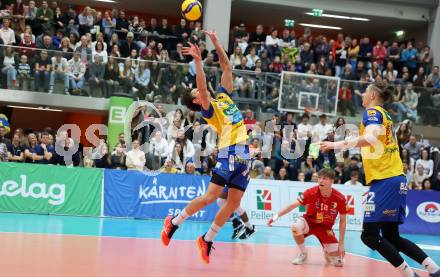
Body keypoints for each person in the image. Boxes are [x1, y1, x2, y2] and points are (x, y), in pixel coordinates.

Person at [320, 81, 440, 277]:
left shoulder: (373, 112)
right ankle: (434, 269)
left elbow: (371, 138)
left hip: (386, 179)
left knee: (369, 235)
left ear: (373, 96)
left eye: (366, 92)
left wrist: (334, 145)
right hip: (393, 179)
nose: (363, 95)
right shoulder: (385, 115)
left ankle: (410, 274)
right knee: (392, 237)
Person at [161, 31, 250, 264]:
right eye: (196, 94)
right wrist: (198, 62)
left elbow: (227, 67)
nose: (200, 92)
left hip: (244, 154)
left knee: (233, 203)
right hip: (230, 150)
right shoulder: (207, 109)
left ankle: (207, 239)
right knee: (211, 196)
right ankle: (175, 222)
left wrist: (217, 43)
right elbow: (201, 89)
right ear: (197, 102)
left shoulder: (223, 96)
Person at [267, 169, 346, 267]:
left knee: (339, 263)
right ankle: (303, 253)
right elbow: (292, 205)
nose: (320, 181)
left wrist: (341, 244)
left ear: (332, 181)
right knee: (296, 226)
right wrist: (276, 216)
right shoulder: (311, 192)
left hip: (325, 228)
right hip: (309, 223)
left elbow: (343, 221)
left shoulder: (340, 198)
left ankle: (327, 250)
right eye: (319, 178)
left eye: (324, 178)